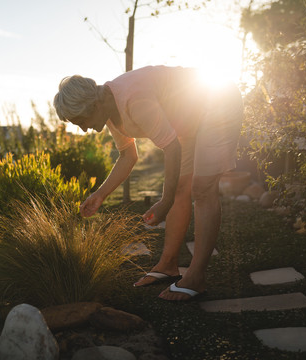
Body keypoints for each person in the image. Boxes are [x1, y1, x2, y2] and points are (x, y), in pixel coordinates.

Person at [53, 65, 244, 301]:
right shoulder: (109, 108)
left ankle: (196, 277)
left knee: (202, 188)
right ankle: (168, 265)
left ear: (94, 104)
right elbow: (128, 156)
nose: (83, 129)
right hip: (189, 119)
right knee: (182, 188)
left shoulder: (133, 100)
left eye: (81, 120)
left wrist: (165, 202)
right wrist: (100, 195)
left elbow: (171, 147)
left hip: (218, 103)